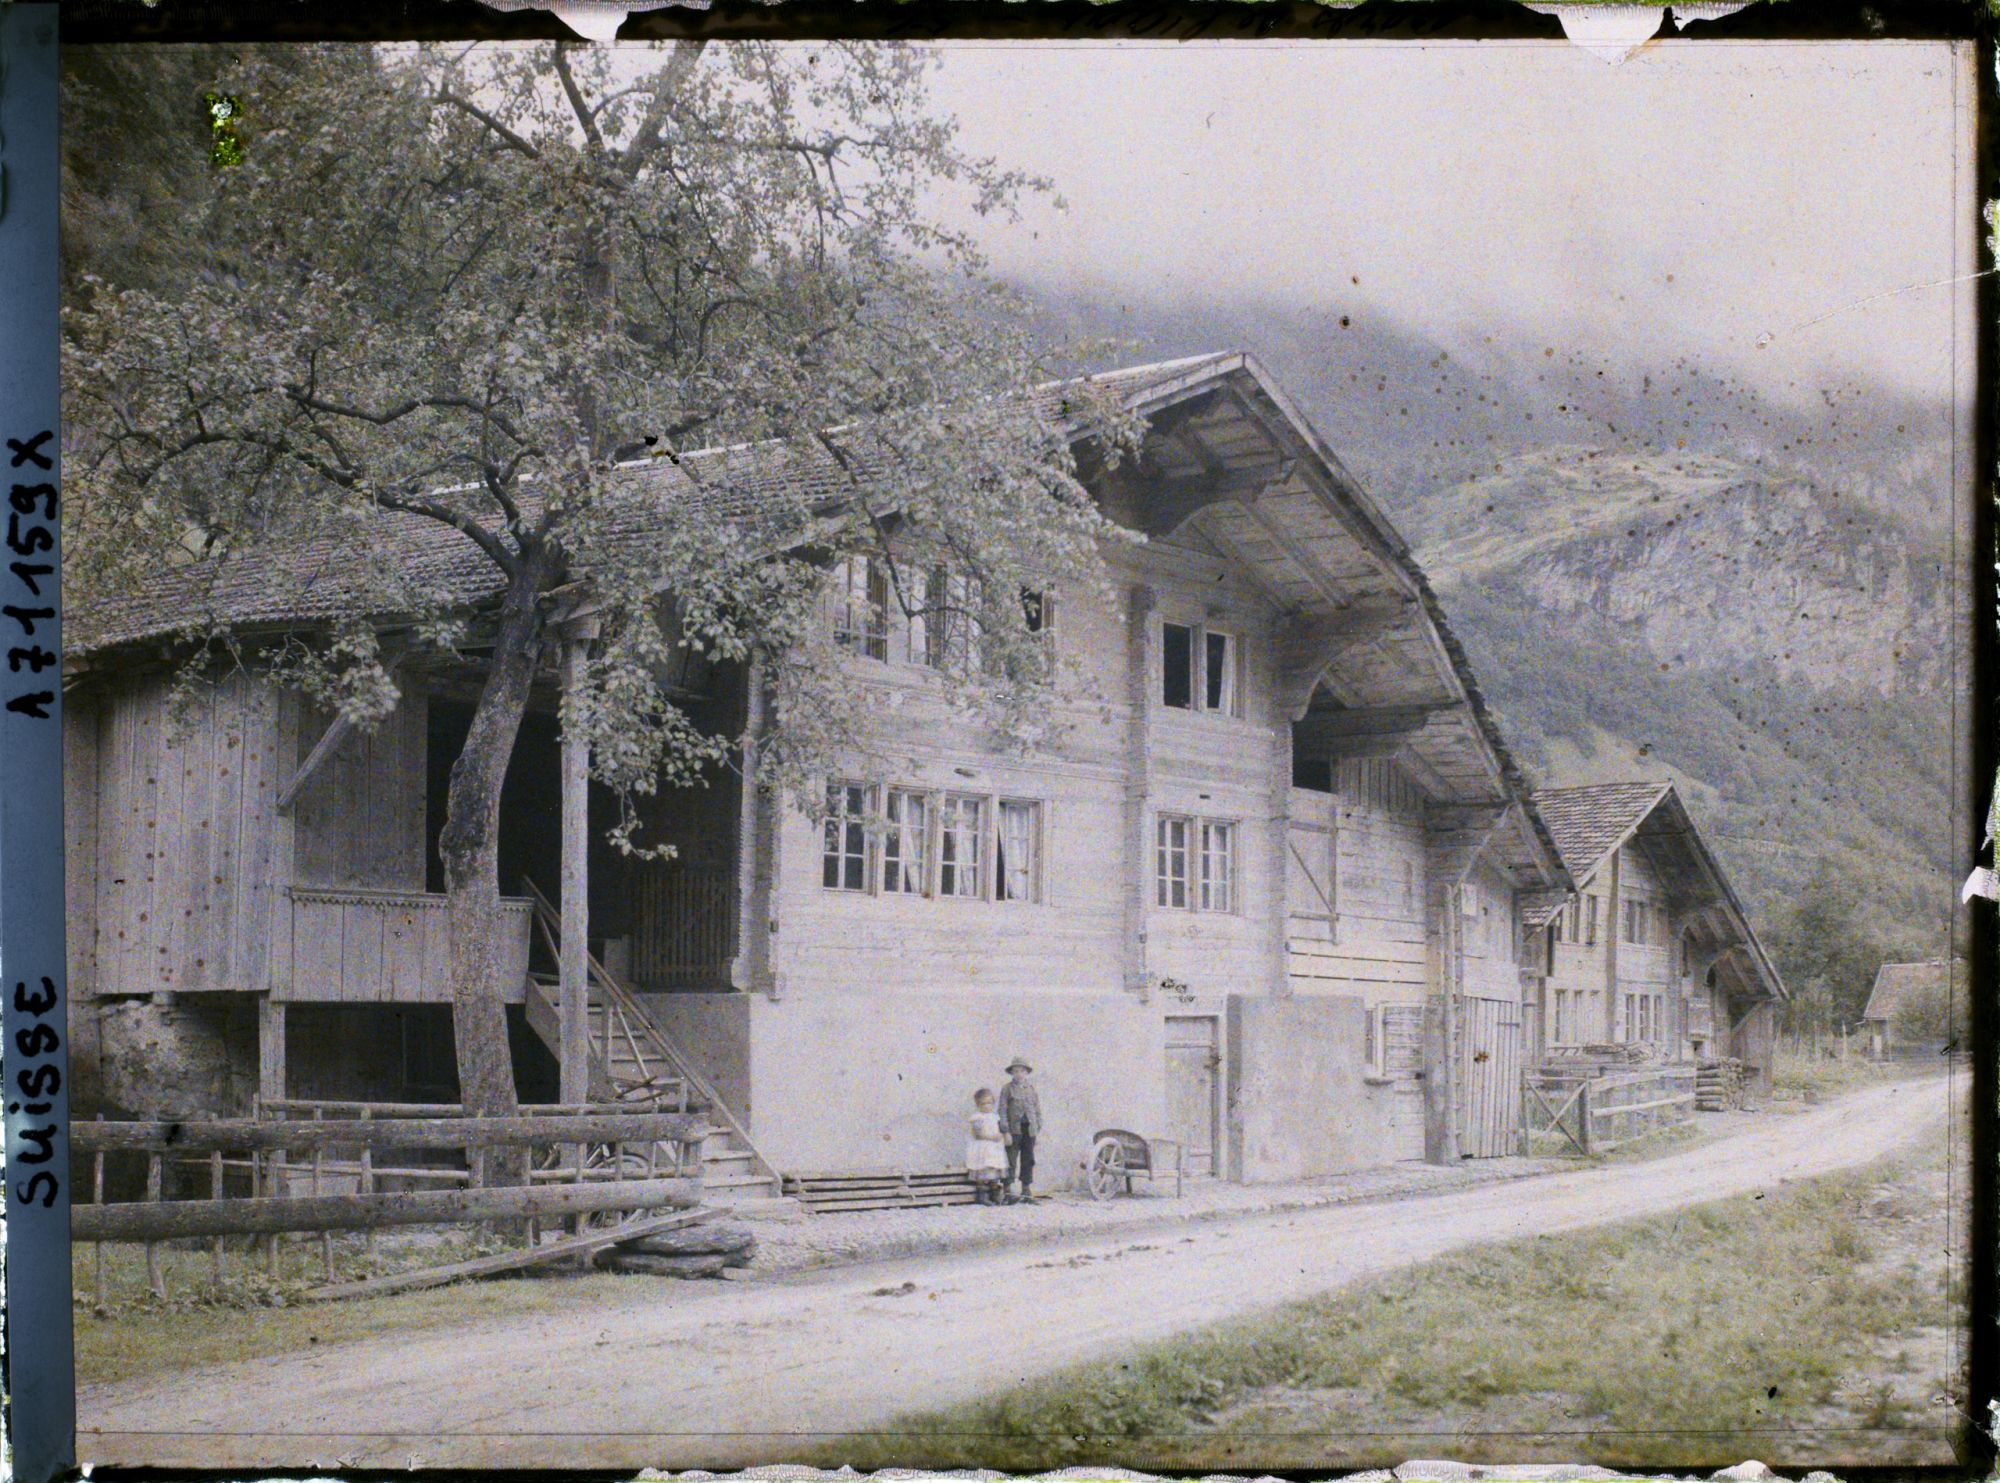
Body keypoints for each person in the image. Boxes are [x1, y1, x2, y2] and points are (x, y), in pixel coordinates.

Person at [996, 1056, 1042, 1203]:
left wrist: (1037, 1125)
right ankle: (1007, 1191)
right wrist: (1005, 1131)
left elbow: (1036, 1108)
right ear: (1012, 1073)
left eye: (1022, 1071)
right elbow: (1002, 1110)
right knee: (1011, 1159)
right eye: (1016, 1071)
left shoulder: (1031, 1089)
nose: (1019, 1074)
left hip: (1029, 1130)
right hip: (1014, 1130)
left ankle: (1026, 1191)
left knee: (1028, 1160)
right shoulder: (1007, 1089)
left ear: (1026, 1072)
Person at [965, 1088, 1007, 1206]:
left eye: (989, 1103)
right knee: (984, 1171)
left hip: (994, 1149)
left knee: (994, 1170)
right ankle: (983, 1196)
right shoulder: (977, 1118)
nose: (987, 1106)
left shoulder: (995, 1116)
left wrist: (1001, 1135)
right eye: (983, 1103)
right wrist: (992, 1137)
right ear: (978, 1105)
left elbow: (999, 1128)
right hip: (983, 1147)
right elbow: (977, 1134)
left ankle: (996, 1196)